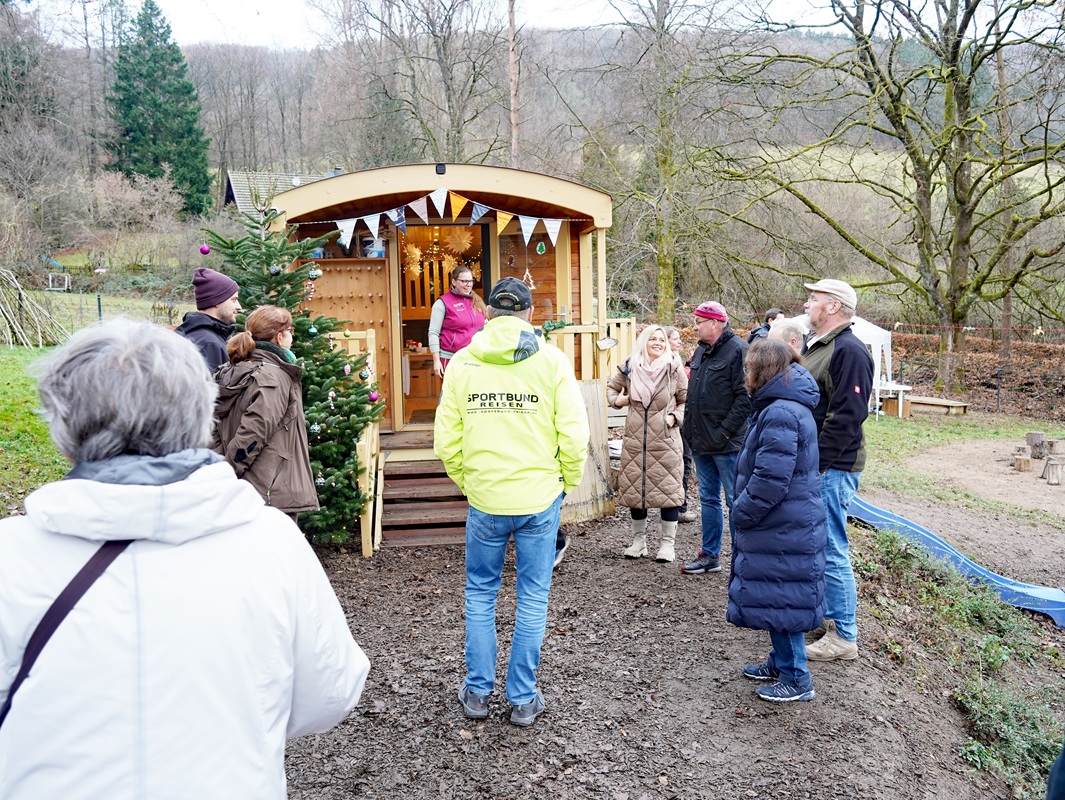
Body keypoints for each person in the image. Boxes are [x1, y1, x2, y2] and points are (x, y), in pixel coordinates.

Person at [0, 319, 369, 799]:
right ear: (199, 413)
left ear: (61, 419)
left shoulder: (11, 554)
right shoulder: (272, 543)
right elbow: (331, 694)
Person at [434, 277, 589, 727]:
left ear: (488, 315)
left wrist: (471, 482)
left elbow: (447, 440)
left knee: (481, 594)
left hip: (486, 497)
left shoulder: (464, 362)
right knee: (533, 596)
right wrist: (565, 483)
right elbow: (574, 436)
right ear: (528, 315)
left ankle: (478, 694)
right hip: (539, 496)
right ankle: (522, 698)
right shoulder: (551, 361)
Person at [727, 340, 826, 703]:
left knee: (782, 598)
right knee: (776, 595)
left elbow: (771, 479)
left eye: (749, 367)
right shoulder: (779, 405)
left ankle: (796, 677)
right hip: (785, 522)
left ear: (763, 370)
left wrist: (742, 511)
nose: (744, 374)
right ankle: (780, 661)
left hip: (782, 524)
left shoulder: (781, 411)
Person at [801, 278, 874, 662]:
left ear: (832, 307)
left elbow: (847, 416)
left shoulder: (849, 350)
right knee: (821, 544)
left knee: (832, 547)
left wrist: (817, 463)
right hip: (820, 465)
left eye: (813, 299)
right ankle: (830, 619)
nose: (807, 303)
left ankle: (844, 635)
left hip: (833, 466)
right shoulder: (822, 346)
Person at [212, 305, 319, 521]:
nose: (292, 337)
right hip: (269, 493)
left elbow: (212, 428)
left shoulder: (232, 369)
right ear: (280, 337)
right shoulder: (273, 377)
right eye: (290, 331)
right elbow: (253, 433)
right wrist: (228, 474)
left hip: (249, 491)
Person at [680, 301, 751, 575]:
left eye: (699, 321)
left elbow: (745, 399)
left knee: (735, 500)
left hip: (727, 443)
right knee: (708, 499)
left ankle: (742, 559)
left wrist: (724, 432)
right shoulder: (700, 351)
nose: (695, 326)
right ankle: (710, 555)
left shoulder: (739, 351)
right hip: (700, 440)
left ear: (715, 323)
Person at [608, 325, 688, 563]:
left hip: (665, 441)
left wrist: (675, 417)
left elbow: (685, 400)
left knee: (669, 493)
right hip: (635, 441)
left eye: (661, 339)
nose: (657, 343)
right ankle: (639, 541)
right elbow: (611, 390)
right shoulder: (630, 367)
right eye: (652, 339)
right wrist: (619, 400)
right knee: (636, 490)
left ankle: (667, 545)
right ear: (644, 341)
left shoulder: (674, 368)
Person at [174, 267, 242, 371]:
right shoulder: (209, 345)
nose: (239, 307)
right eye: (234, 300)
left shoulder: (199, 334)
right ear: (217, 301)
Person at [428, 265, 487, 378]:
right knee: (453, 395)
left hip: (475, 358)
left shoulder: (477, 301)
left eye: (470, 281)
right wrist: (436, 360)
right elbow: (433, 333)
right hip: (451, 358)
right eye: (464, 281)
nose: (468, 284)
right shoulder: (442, 303)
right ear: (454, 282)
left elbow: (486, 327)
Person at [666, 326, 697, 524]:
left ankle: (678, 505)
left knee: (684, 461)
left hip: (681, 416)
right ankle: (678, 507)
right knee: (682, 461)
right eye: (675, 338)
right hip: (674, 419)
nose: (679, 341)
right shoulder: (668, 362)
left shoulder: (678, 359)